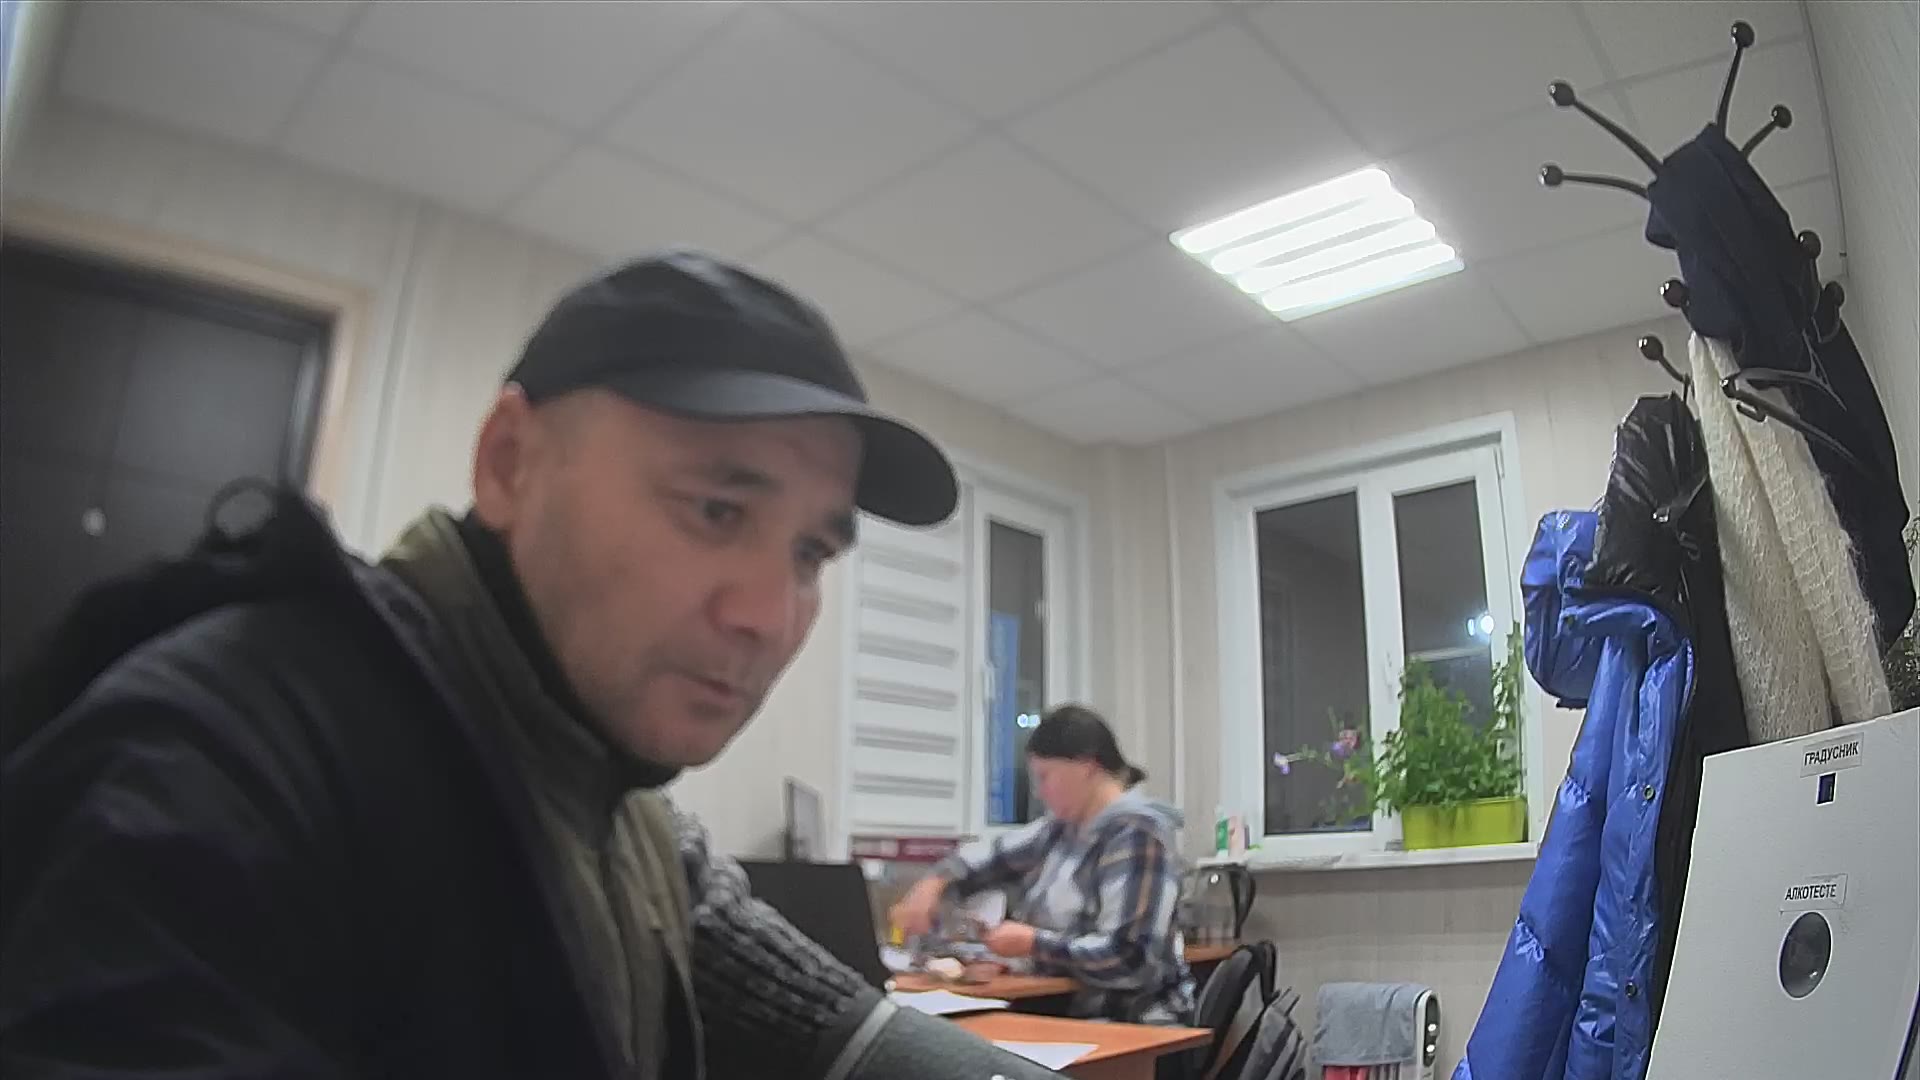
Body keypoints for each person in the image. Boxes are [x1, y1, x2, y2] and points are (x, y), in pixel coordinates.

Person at [0, 252, 1064, 1080]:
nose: (770, 617)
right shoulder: (219, 763)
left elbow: (801, 1006)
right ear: (509, 463)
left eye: (810, 554)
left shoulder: (605, 785)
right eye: (716, 509)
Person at [891, 705, 1195, 1026]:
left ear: (1086, 767)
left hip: (1136, 1023)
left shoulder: (1137, 834)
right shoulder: (1060, 831)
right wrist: (932, 885)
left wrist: (1033, 944)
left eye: (1045, 776)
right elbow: (988, 860)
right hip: (1073, 1015)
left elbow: (1131, 960)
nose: (1038, 791)